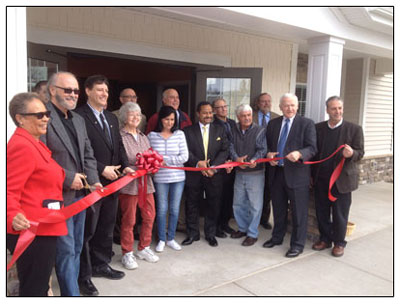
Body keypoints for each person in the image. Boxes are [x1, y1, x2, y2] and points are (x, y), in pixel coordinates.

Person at [41, 71, 101, 296]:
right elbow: (40, 159)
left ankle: (71, 290)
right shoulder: (42, 117)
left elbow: (88, 154)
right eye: (68, 90)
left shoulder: (78, 119)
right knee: (66, 251)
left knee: (77, 247)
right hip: (57, 197)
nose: (73, 94)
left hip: (82, 197)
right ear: (53, 90)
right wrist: (67, 177)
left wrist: (93, 181)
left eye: (76, 90)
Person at [75, 75, 134, 296]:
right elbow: (81, 151)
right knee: (87, 230)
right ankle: (84, 276)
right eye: (99, 90)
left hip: (113, 182)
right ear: (88, 91)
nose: (104, 94)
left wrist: (126, 166)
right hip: (92, 184)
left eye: (106, 91)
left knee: (106, 227)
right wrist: (101, 168)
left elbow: (117, 145)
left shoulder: (111, 117)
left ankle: (101, 264)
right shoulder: (78, 116)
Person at [7, 92, 66, 296]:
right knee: (34, 289)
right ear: (20, 118)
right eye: (39, 115)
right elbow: (9, 188)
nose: (46, 118)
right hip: (31, 231)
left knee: (39, 285)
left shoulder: (34, 143)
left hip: (44, 226)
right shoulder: (22, 146)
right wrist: (12, 215)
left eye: (46, 113)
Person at [264, 93, 317, 258]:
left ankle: (297, 244)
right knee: (278, 210)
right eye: (286, 105)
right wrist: (269, 155)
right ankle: (277, 237)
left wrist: (300, 153)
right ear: (280, 107)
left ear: (297, 106)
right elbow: (267, 147)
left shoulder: (306, 124)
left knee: (298, 212)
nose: (290, 108)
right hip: (276, 174)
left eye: (293, 105)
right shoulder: (273, 124)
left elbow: (312, 148)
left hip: (297, 175)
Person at [312, 96, 364, 257]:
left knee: (340, 213)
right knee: (322, 211)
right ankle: (325, 239)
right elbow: (313, 153)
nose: (338, 111)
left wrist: (352, 153)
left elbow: (360, 153)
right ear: (327, 110)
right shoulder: (318, 128)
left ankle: (339, 243)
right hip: (321, 179)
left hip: (342, 181)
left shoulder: (354, 129)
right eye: (334, 108)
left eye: (340, 108)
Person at [182, 101, 229, 247]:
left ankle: (210, 234)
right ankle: (192, 233)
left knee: (213, 204)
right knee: (192, 204)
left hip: (213, 174)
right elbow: (185, 152)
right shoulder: (188, 131)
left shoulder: (220, 130)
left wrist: (213, 167)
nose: (208, 115)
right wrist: (198, 163)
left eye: (210, 112)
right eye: (205, 112)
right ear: (198, 114)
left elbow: (225, 150)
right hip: (194, 174)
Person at [118, 102, 159, 269]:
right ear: (124, 117)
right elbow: (119, 161)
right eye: (131, 114)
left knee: (150, 216)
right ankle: (127, 252)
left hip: (146, 184)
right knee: (129, 220)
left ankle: (144, 247)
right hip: (129, 185)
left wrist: (153, 165)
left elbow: (150, 156)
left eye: (138, 114)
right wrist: (129, 169)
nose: (135, 117)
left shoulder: (144, 136)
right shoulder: (119, 137)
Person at [148, 106, 189, 252]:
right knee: (162, 209)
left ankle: (170, 238)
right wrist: (162, 160)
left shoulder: (180, 134)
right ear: (161, 119)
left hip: (178, 178)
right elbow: (149, 157)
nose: (170, 122)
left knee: (174, 209)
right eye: (167, 119)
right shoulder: (152, 136)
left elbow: (184, 157)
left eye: (172, 119)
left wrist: (163, 160)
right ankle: (161, 239)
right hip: (160, 178)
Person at [229, 104, 267, 246]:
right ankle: (242, 228)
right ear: (238, 117)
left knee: (255, 205)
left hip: (255, 173)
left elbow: (262, 149)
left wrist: (254, 160)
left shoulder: (260, 130)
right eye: (243, 115)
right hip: (239, 172)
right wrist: (236, 159)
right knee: (238, 203)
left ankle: (252, 233)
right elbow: (230, 146)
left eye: (249, 115)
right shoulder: (234, 130)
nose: (247, 118)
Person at [253, 93, 280, 230]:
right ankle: (251, 217)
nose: (266, 104)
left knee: (267, 190)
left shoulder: (277, 117)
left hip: (271, 160)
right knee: (253, 190)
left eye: (268, 101)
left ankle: (264, 218)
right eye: (263, 101)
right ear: (258, 103)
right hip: (254, 159)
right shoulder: (250, 116)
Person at [211, 98, 236, 236]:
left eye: (225, 106)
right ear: (214, 110)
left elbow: (235, 143)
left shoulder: (232, 123)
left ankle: (225, 223)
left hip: (232, 166)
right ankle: (215, 227)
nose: (223, 109)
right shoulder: (213, 124)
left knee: (228, 196)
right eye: (220, 107)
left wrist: (232, 160)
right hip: (219, 165)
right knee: (217, 198)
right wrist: (224, 161)